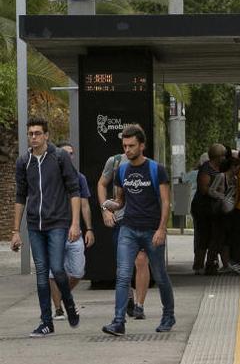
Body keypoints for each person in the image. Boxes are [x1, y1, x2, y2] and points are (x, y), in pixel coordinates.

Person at [101, 125, 176, 336]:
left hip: (151, 230)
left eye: (132, 146)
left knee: (160, 275)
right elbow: (120, 200)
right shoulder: (121, 170)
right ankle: (118, 321)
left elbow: (165, 202)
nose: (127, 150)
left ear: (142, 146)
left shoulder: (156, 169)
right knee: (123, 275)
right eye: (125, 146)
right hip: (128, 229)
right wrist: (109, 206)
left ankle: (168, 315)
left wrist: (162, 229)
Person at [11, 117, 81, 337]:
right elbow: (20, 196)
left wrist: (75, 223)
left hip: (58, 222)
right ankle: (46, 322)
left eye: (38, 133)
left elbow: (74, 190)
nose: (34, 137)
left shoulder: (59, 157)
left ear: (46, 135)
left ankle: (68, 304)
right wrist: (15, 231)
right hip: (35, 225)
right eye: (30, 133)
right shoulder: (24, 162)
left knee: (58, 269)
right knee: (42, 273)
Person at [98, 143, 150, 320]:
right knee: (124, 264)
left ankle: (139, 305)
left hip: (142, 220)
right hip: (121, 219)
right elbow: (101, 184)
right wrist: (105, 209)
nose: (130, 148)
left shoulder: (150, 166)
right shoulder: (115, 162)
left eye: (133, 144)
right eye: (126, 144)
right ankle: (128, 297)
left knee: (141, 261)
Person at [49, 142, 95, 318]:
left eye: (72, 153)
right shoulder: (49, 176)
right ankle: (58, 308)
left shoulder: (79, 177)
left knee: (77, 272)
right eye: (65, 153)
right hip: (53, 230)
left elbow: (84, 205)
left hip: (75, 232)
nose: (69, 156)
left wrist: (89, 228)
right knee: (54, 272)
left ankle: (63, 296)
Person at [192, 144, 227, 275]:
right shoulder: (206, 169)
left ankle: (211, 264)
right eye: (223, 155)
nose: (224, 158)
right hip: (203, 209)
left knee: (215, 237)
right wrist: (218, 194)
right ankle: (199, 265)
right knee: (203, 237)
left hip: (216, 209)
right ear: (217, 157)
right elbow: (204, 188)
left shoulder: (220, 168)